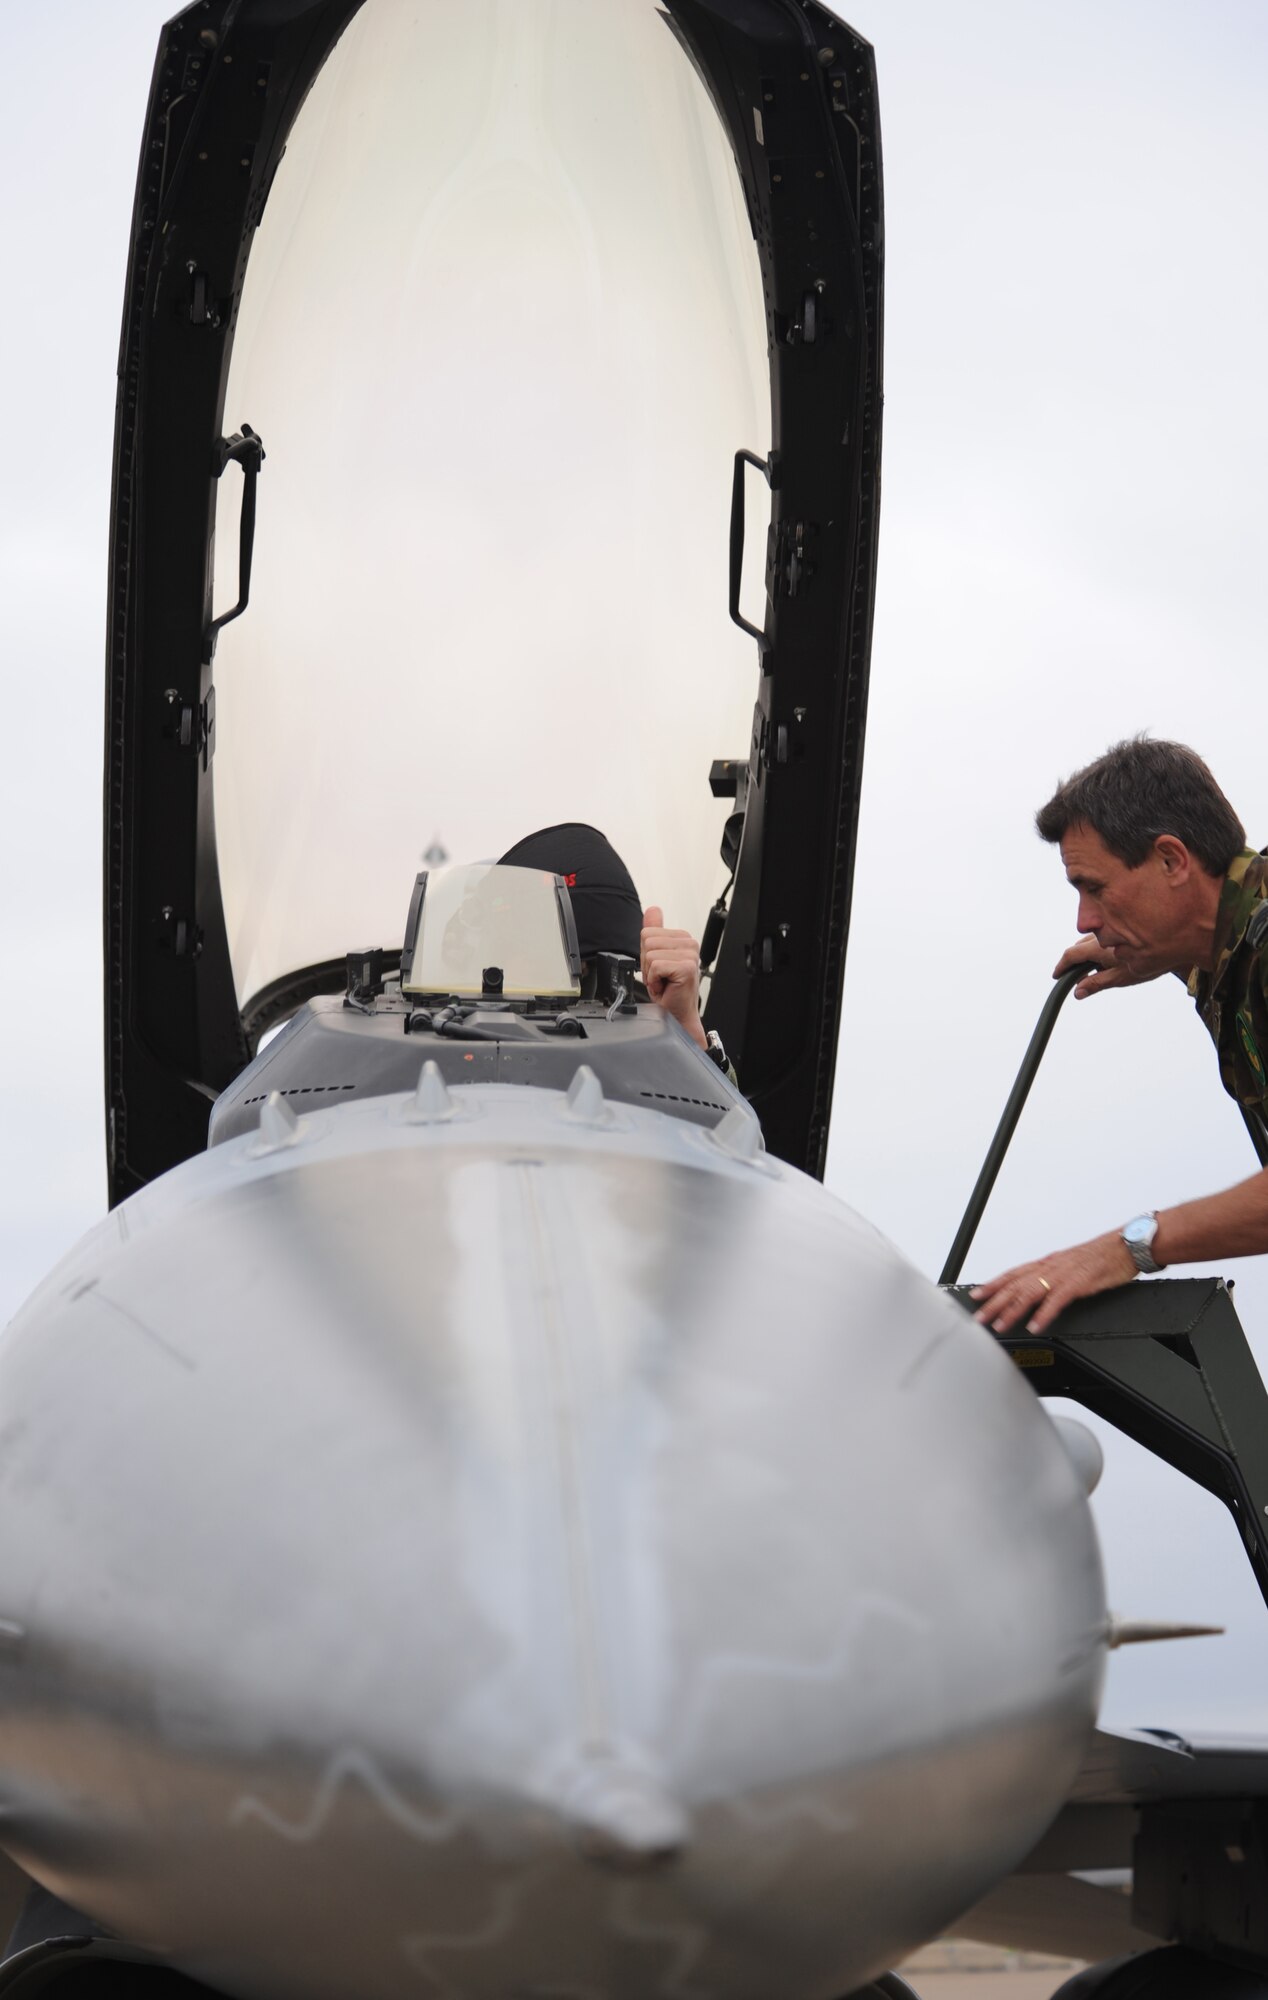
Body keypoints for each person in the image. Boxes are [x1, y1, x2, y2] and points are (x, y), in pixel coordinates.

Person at [971, 738, 1268, 1336]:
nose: (1085, 920)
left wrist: (1131, 1247)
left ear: (1172, 861)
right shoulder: (1226, 955)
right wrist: (1173, 955)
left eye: (1095, 887)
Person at [496, 824, 722, 1063]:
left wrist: (686, 1031)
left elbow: (721, 1101)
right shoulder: (457, 1029)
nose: (576, 980)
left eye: (589, 964)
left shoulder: (646, 1023)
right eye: (550, 963)